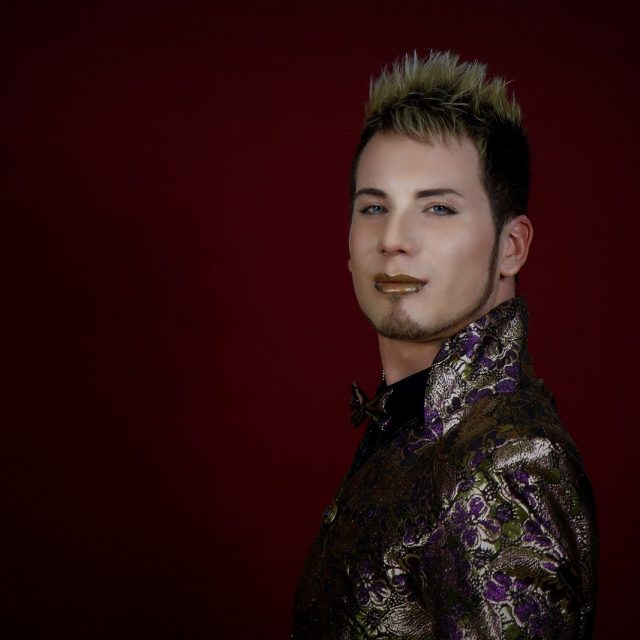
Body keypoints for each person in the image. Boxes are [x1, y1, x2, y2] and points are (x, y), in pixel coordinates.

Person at [292, 51, 598, 639]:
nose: (393, 239)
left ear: (511, 247)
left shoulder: (509, 465)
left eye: (438, 208)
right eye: (374, 207)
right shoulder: (413, 426)